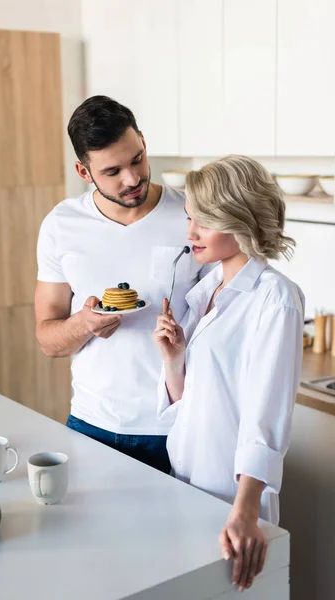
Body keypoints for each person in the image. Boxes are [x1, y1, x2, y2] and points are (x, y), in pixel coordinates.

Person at [35, 95, 210, 473]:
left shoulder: (192, 215)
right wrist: (83, 324)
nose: (132, 179)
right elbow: (47, 340)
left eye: (137, 160)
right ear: (84, 173)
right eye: (112, 172)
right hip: (90, 424)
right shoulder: (61, 225)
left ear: (143, 142)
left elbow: (222, 317)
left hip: (175, 425)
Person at [153, 155, 304, 590]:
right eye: (189, 218)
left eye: (203, 220)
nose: (190, 232)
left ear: (238, 218)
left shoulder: (275, 298)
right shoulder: (207, 289)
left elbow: (267, 416)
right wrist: (174, 359)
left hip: (231, 502)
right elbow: (191, 401)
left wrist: (244, 512)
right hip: (187, 484)